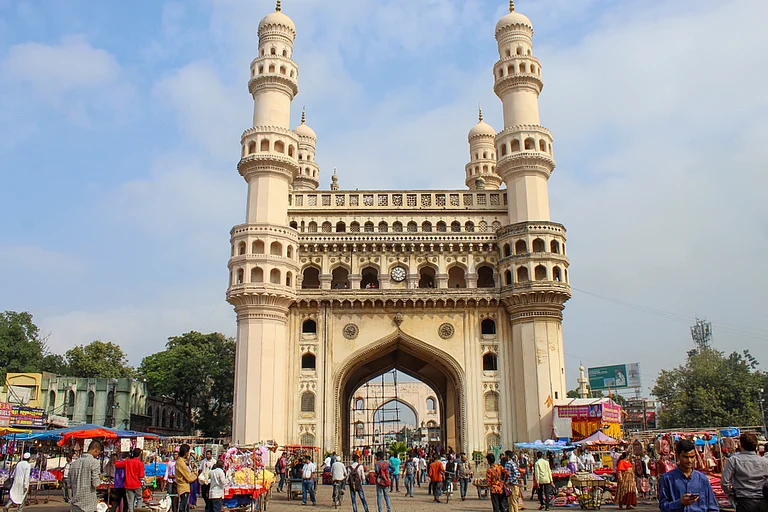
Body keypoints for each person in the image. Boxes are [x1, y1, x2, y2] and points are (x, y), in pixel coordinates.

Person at [659, 439, 719, 512]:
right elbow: (663, 507)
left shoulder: (702, 479)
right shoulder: (667, 479)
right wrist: (680, 503)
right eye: (685, 457)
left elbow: (713, 507)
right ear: (678, 456)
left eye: (692, 457)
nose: (689, 461)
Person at [721, 432, 768, 512]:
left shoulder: (734, 460)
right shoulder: (765, 461)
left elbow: (724, 482)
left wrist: (731, 494)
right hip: (763, 502)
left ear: (741, 445)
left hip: (744, 502)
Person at [68, 441, 103, 512]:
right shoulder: (94, 462)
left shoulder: (73, 464)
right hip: (88, 504)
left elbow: (69, 484)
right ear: (96, 450)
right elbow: (96, 483)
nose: (98, 455)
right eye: (98, 453)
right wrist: (100, 477)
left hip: (75, 502)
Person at [175, 445, 195, 512]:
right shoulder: (181, 462)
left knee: (185, 506)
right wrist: (196, 474)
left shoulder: (183, 461)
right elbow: (189, 478)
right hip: (183, 487)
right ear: (186, 452)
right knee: (184, 507)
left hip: (185, 487)